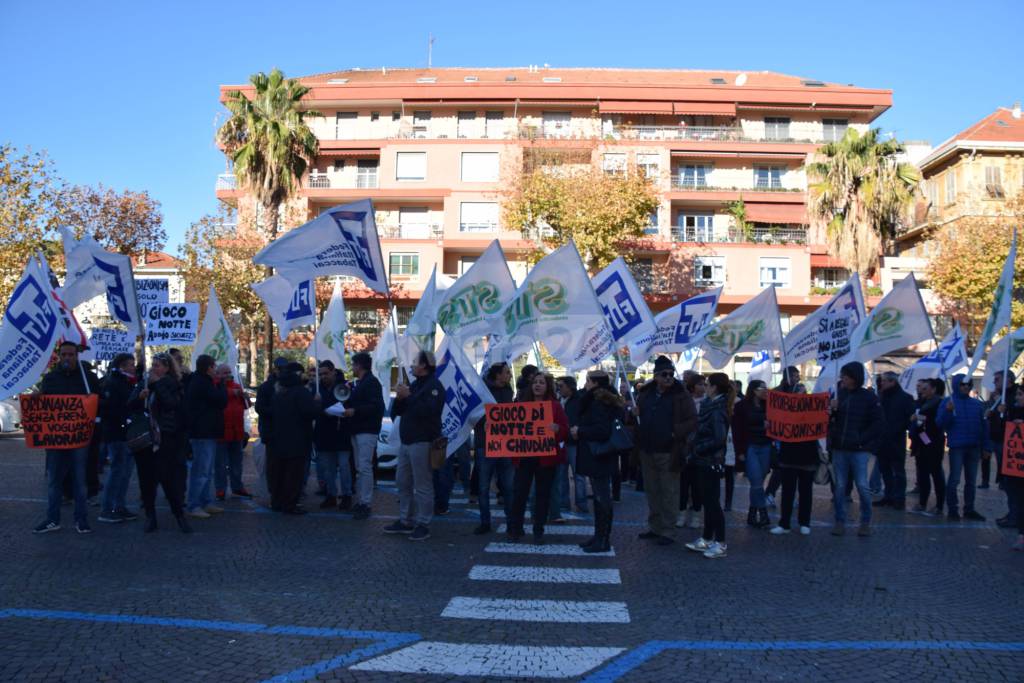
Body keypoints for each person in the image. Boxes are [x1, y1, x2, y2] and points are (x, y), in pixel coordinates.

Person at [33, 341, 100, 535]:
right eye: (64, 355)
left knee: (79, 481)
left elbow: (101, 402)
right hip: (56, 439)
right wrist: (38, 398)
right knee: (54, 481)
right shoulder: (51, 379)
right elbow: (43, 404)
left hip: (79, 439)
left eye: (71, 355)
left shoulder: (88, 378)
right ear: (59, 357)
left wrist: (93, 400)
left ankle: (81, 519)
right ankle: (52, 519)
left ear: (77, 356)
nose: (67, 358)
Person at [634, 356, 697, 546]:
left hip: (669, 451)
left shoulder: (681, 394)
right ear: (656, 376)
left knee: (669, 491)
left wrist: (674, 433)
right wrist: (634, 414)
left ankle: (668, 531)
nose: (669, 377)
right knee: (652, 490)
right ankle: (655, 527)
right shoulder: (646, 393)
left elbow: (692, 420)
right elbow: (639, 416)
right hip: (647, 448)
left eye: (671, 374)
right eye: (664, 374)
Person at [385, 351, 444, 541]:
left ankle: (423, 523)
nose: (411, 366)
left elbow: (429, 411)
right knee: (402, 481)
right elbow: (398, 412)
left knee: (423, 484)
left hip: (423, 441)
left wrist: (408, 396)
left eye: (414, 362)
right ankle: (406, 520)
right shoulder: (415, 385)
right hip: (407, 441)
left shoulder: (434, 386)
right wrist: (400, 398)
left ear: (424, 366)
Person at [507, 373, 570, 544]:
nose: (538, 385)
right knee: (519, 494)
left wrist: (558, 429)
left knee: (542, 495)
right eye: (535, 382)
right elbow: (508, 427)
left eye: (541, 382)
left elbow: (565, 430)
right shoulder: (521, 405)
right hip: (524, 457)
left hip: (546, 459)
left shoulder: (555, 407)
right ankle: (515, 529)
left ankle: (538, 530)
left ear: (547, 386)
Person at [133, 352, 192, 533]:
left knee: (166, 478)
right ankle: (150, 517)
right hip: (146, 439)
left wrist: (157, 385)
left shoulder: (173, 385)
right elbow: (130, 404)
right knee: (146, 480)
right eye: (153, 364)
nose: (154, 368)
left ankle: (179, 515)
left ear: (167, 368)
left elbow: (172, 404)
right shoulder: (144, 384)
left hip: (166, 438)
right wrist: (139, 397)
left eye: (158, 365)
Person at [828, 361, 884, 537]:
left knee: (861, 485)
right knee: (840, 486)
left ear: (854, 377)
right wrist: (832, 411)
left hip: (859, 450)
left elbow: (878, 423)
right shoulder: (839, 394)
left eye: (845, 375)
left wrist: (862, 441)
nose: (842, 378)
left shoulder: (869, 397)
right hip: (840, 448)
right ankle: (839, 521)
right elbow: (831, 421)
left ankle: (865, 521)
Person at [573, 370, 625, 553]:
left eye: (588, 381)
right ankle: (598, 536)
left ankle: (602, 540)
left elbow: (602, 430)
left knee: (602, 497)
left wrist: (580, 431)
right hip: (602, 455)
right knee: (599, 496)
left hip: (600, 454)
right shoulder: (606, 399)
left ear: (594, 383)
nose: (585, 384)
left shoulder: (598, 402)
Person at [684, 372, 733, 559]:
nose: (704, 387)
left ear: (714, 388)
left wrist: (698, 449)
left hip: (710, 460)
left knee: (713, 503)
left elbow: (719, 438)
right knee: (708, 501)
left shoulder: (717, 409)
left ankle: (720, 542)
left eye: (707, 384)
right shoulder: (710, 406)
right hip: (704, 459)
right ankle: (706, 538)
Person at [269, 362, 320, 514]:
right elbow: (309, 412)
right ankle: (290, 504)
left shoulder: (278, 394)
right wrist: (317, 404)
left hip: (279, 439)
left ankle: (277, 501)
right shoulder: (301, 393)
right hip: (298, 440)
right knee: (294, 474)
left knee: (279, 473)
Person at [770, 382, 820, 536]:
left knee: (806, 492)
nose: (801, 394)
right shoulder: (784, 411)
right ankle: (784, 523)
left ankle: (805, 522)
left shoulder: (814, 410)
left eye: (803, 392)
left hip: (808, 455)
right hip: (789, 455)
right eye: (797, 392)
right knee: (787, 492)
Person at [472, 362, 516, 535]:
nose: (509, 376)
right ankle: (485, 522)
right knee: (483, 487)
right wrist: (484, 422)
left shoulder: (508, 391)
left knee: (508, 487)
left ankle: (511, 522)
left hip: (505, 445)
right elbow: (474, 415)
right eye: (506, 373)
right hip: (485, 445)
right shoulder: (481, 392)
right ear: (497, 375)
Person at [936, 374, 987, 521]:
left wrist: (986, 447)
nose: (966, 387)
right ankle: (953, 509)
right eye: (963, 384)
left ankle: (969, 509)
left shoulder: (977, 404)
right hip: (957, 447)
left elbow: (984, 427)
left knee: (971, 481)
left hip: (974, 446)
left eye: (968, 384)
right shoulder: (948, 402)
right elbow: (940, 423)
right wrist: (948, 411)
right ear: (956, 385)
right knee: (955, 479)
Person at [342, 351, 385, 520]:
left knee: (364, 467)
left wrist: (355, 410)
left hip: (366, 430)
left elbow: (376, 407)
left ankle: (365, 502)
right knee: (361, 467)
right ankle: (362, 500)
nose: (352, 368)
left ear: (359, 366)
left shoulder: (371, 383)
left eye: (353, 365)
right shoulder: (361, 383)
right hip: (359, 429)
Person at [97, 353, 139, 524]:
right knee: (117, 472)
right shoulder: (114, 383)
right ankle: (107, 509)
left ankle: (119, 506)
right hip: (117, 434)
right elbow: (115, 408)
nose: (133, 367)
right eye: (130, 364)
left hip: (125, 433)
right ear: (121, 366)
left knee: (125, 473)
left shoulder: (125, 382)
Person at [185, 354, 228, 519]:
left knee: (207, 470)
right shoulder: (201, 382)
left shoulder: (202, 381)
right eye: (214, 366)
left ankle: (205, 501)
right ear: (209, 367)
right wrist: (222, 385)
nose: (216, 369)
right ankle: (194, 504)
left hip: (207, 431)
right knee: (201, 470)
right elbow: (221, 400)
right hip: (202, 432)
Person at [314, 360, 354, 510]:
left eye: (326, 373)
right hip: (324, 433)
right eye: (321, 374)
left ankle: (347, 495)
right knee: (328, 468)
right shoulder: (317, 389)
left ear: (333, 372)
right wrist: (317, 404)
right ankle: (331, 495)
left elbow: (350, 406)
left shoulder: (344, 387)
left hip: (341, 433)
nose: (323, 376)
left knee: (344, 467)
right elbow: (311, 410)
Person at [733, 379, 772, 528]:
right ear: (754, 390)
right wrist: (740, 451)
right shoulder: (741, 406)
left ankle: (752, 512)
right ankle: (763, 513)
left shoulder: (769, 405)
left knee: (759, 483)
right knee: (756, 481)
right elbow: (737, 430)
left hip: (766, 446)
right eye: (762, 388)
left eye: (765, 387)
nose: (765, 390)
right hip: (750, 447)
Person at [874, 371, 916, 510]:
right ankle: (888, 496)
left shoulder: (905, 398)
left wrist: (899, 428)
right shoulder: (880, 397)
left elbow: (910, 419)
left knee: (898, 471)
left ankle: (899, 498)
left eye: (885, 380)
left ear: (893, 382)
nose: (882, 383)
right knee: (884, 470)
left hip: (896, 439)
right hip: (881, 440)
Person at [214, 364, 252, 501]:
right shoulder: (215, 386)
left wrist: (246, 398)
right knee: (220, 463)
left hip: (237, 430)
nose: (228, 374)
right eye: (224, 372)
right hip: (221, 431)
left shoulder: (237, 385)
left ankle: (237, 487)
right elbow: (217, 396)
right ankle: (220, 489)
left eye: (229, 372)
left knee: (237, 462)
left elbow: (246, 406)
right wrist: (232, 393)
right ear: (217, 374)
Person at [910, 378, 946, 514]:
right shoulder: (922, 402)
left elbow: (935, 423)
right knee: (923, 474)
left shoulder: (938, 403)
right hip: (921, 443)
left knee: (936, 474)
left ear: (933, 389)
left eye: (925, 388)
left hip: (933, 443)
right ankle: (922, 503)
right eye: (920, 388)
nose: (921, 391)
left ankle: (939, 506)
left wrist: (919, 419)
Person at [988, 371, 1018, 527]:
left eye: (997, 379)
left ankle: (1015, 515)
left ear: (1008, 381)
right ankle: (1013, 513)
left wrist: (1006, 411)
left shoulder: (1013, 397)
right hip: (999, 441)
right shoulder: (998, 396)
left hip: (1010, 445)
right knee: (1007, 482)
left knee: (1011, 483)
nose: (994, 382)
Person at [676, 372, 706, 529]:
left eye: (705, 384)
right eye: (700, 384)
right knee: (683, 483)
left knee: (697, 484)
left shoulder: (708, 402)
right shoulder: (684, 401)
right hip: (684, 446)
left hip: (700, 447)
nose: (703, 387)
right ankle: (681, 513)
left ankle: (696, 514)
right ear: (692, 386)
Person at [256, 358, 288, 498]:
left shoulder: (288, 385)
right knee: (272, 465)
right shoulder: (266, 387)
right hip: (271, 431)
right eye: (280, 369)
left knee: (285, 465)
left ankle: (282, 492)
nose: (282, 371)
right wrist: (279, 411)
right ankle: (274, 493)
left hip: (286, 432)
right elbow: (260, 408)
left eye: (284, 369)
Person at [557, 376, 588, 514]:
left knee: (579, 475)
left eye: (561, 386)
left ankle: (581, 503)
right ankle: (564, 503)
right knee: (562, 474)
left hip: (575, 443)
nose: (559, 388)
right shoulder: (558, 400)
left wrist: (578, 429)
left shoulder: (580, 400)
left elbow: (585, 418)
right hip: (561, 442)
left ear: (570, 387)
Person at [999, 385, 1024, 550]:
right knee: (1020, 501)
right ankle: (1022, 535)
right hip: (1016, 468)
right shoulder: (1012, 412)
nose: (1017, 397)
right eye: (1017, 394)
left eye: (1020, 394)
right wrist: (1002, 415)